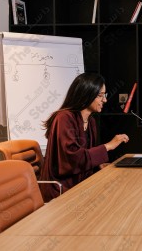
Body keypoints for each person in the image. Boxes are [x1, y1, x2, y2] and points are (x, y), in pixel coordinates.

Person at [39, 73, 129, 202]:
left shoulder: (90, 121)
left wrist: (99, 166)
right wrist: (108, 146)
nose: (105, 100)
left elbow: (85, 156)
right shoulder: (64, 118)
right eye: (100, 96)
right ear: (86, 94)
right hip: (61, 190)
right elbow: (72, 160)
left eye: (105, 95)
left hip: (81, 184)